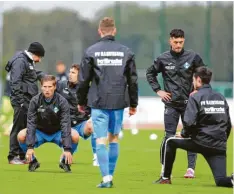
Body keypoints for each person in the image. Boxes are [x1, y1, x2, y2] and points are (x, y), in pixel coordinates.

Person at [77, 17, 138, 188]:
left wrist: (81, 102)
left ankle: (106, 179)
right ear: (114, 30)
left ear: (99, 31)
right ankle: (110, 174)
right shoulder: (126, 51)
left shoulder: (91, 51)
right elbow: (133, 81)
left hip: (98, 102)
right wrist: (133, 103)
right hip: (119, 102)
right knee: (114, 138)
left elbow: (83, 80)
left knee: (100, 140)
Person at [154, 67, 233, 187]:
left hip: (200, 142)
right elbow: (228, 124)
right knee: (221, 180)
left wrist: (184, 134)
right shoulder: (220, 97)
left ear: (198, 80)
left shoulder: (195, 96)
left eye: (193, 80)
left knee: (170, 141)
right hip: (218, 146)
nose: (192, 82)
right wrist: (221, 141)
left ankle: (165, 178)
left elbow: (189, 122)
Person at [146, 29, 206, 178]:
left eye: (181, 42)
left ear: (184, 41)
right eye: (175, 42)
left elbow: (203, 74)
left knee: (191, 135)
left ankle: (190, 169)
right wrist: (158, 90)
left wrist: (198, 90)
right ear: (170, 41)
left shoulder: (193, 57)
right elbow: (150, 73)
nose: (178, 45)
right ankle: (164, 169)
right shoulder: (163, 58)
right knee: (169, 136)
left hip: (189, 104)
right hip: (171, 104)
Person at [17, 75, 78, 172]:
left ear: (55, 87)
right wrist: (30, 147)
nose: (47, 90)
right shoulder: (35, 101)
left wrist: (67, 148)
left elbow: (65, 123)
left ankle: (64, 161)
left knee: (75, 135)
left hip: (57, 132)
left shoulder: (62, 101)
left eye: (50, 87)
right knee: (21, 135)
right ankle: (33, 161)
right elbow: (31, 123)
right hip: (40, 132)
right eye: (45, 87)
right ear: (41, 87)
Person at [5, 42, 45, 164]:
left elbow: (30, 75)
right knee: (18, 127)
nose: (40, 60)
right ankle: (12, 156)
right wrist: (20, 101)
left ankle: (22, 156)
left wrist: (43, 75)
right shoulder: (20, 61)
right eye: (40, 57)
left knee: (24, 127)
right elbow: (15, 82)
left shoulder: (27, 60)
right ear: (36, 54)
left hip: (27, 100)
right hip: (21, 101)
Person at [56, 64, 98, 166]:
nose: (70, 74)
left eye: (73, 73)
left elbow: (95, 107)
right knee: (67, 155)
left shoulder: (88, 90)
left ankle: (97, 157)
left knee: (94, 125)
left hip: (81, 123)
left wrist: (91, 117)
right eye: (70, 72)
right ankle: (68, 154)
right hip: (66, 123)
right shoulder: (60, 85)